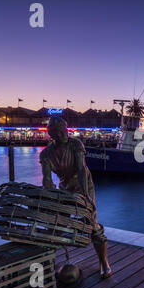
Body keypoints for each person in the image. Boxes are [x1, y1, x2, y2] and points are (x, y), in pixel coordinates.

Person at [39, 117, 112, 279]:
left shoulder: (75, 144)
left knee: (92, 224)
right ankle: (47, 263)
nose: (65, 134)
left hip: (84, 184)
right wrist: (48, 197)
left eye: (65, 130)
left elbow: (80, 168)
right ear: (53, 134)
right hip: (65, 188)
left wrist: (86, 196)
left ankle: (104, 262)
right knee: (56, 224)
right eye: (60, 131)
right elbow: (47, 179)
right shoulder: (46, 154)